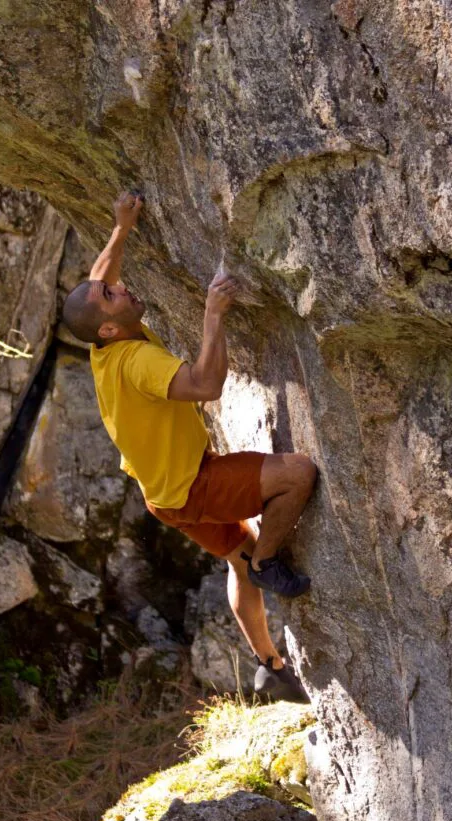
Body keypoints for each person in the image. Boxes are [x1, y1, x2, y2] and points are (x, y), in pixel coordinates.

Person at [63, 192, 318, 702]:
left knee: (235, 557)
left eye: (113, 287)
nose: (122, 288)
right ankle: (270, 563)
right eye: (114, 296)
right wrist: (213, 313)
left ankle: (268, 663)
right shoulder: (135, 361)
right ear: (110, 327)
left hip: (162, 496)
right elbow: (204, 385)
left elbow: (97, 278)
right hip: (194, 485)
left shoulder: (102, 341)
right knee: (299, 475)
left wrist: (122, 227)